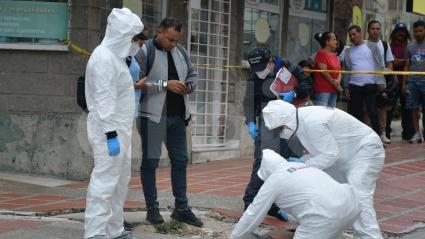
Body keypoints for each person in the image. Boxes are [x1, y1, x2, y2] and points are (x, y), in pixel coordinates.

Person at [262, 100, 385, 239]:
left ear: (285, 124)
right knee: (335, 196)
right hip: (343, 156)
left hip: (365, 151)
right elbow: (323, 152)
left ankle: (371, 237)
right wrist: (304, 162)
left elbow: (329, 155)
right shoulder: (300, 120)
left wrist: (303, 165)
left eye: (279, 130)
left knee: (359, 197)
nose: (280, 134)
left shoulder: (312, 122)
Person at [134, 17, 203, 227]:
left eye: (176, 40)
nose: (173, 44)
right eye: (170, 39)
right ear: (159, 32)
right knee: (151, 162)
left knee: (180, 161)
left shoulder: (181, 51)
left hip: (177, 117)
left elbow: (193, 74)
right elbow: (136, 83)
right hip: (152, 117)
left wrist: (189, 86)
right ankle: (152, 209)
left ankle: (181, 208)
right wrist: (165, 84)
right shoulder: (144, 51)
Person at [84, 8, 144, 239]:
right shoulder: (103, 58)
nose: (136, 43)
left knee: (119, 184)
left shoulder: (116, 58)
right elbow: (103, 100)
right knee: (104, 183)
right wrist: (110, 135)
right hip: (108, 132)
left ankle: (114, 230)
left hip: (120, 131)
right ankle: (95, 233)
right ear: (121, 35)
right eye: (133, 38)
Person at [242, 47, 311, 220]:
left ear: (271, 62)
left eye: (262, 68)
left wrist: (294, 93)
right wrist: (251, 122)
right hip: (267, 121)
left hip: (290, 121)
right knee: (262, 161)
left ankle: (276, 205)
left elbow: (307, 84)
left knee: (286, 163)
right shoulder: (255, 75)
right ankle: (250, 204)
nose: (259, 73)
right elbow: (249, 102)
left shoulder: (289, 67)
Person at [229, 149, 359, 239]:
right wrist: (290, 216)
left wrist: (234, 236)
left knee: (317, 226)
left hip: (324, 215)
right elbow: (306, 199)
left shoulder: (275, 179)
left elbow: (252, 214)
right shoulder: (301, 166)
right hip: (350, 206)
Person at [342, 25, 386, 136]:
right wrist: (346, 86)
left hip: (370, 84)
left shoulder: (372, 47)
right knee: (356, 113)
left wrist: (381, 82)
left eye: (354, 34)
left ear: (360, 33)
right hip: (354, 85)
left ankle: (377, 136)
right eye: (350, 35)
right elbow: (347, 69)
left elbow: (379, 64)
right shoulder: (348, 51)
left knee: (372, 111)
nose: (352, 37)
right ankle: (358, 136)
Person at [366, 20, 396, 144]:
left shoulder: (384, 45)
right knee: (367, 108)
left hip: (381, 81)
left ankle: (382, 133)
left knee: (381, 107)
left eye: (378, 28)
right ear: (368, 30)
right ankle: (369, 134)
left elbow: (389, 62)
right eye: (373, 28)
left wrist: (389, 77)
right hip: (367, 80)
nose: (375, 31)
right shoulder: (364, 44)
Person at [388, 23, 415, 142]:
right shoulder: (389, 46)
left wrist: (400, 61)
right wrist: (404, 61)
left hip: (406, 83)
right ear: (394, 33)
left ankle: (408, 134)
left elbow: (410, 63)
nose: (400, 34)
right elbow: (392, 62)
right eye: (398, 31)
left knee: (407, 109)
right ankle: (386, 133)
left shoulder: (409, 47)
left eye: (403, 31)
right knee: (389, 108)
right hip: (392, 83)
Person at [403, 20, 425, 144]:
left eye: (421, 31)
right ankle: (417, 134)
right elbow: (407, 65)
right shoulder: (410, 46)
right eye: (416, 31)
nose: (418, 33)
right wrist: (404, 83)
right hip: (412, 81)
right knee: (413, 108)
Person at [313, 32, 343, 107]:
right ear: (327, 42)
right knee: (322, 114)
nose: (336, 42)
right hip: (323, 90)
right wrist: (336, 84)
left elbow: (339, 71)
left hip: (334, 89)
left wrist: (338, 82)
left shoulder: (334, 55)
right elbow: (324, 72)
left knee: (331, 114)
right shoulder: (321, 53)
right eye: (334, 40)